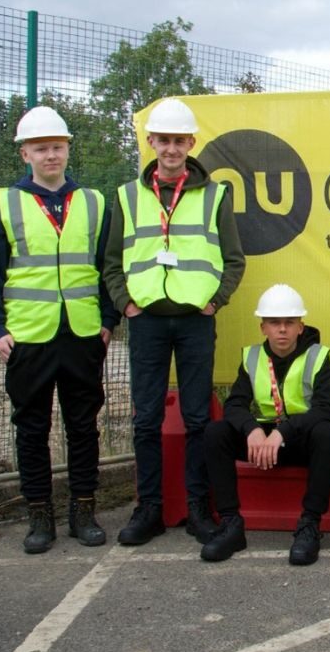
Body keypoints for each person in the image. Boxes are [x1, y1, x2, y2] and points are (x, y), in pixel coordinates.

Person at [104, 97, 246, 547]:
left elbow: (234, 260)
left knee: (197, 418)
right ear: (150, 142)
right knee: (145, 419)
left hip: (194, 322)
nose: (170, 148)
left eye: (178, 140)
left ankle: (198, 508)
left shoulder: (215, 194)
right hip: (145, 321)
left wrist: (214, 302)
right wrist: (127, 305)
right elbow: (110, 262)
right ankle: (148, 509)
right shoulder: (127, 196)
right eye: (162, 140)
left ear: (191, 143)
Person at [0, 106, 118, 554]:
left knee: (83, 427)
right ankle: (39, 515)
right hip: (28, 337)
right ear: (26, 154)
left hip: (81, 335)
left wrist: (109, 321)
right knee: (31, 428)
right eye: (41, 148)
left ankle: (83, 510)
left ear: (67, 150)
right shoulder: (6, 203)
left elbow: (105, 269)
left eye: (57, 147)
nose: (51, 155)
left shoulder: (94, 202)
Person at [200, 284, 330, 565]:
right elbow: (235, 405)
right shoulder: (251, 357)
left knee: (328, 434)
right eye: (274, 323)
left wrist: (283, 432)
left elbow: (325, 409)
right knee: (216, 432)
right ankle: (231, 524)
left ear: (301, 327)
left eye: (289, 322)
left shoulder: (319, 356)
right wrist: (251, 429)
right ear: (263, 326)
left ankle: (309, 525)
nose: (282, 330)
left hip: (300, 439)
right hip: (264, 439)